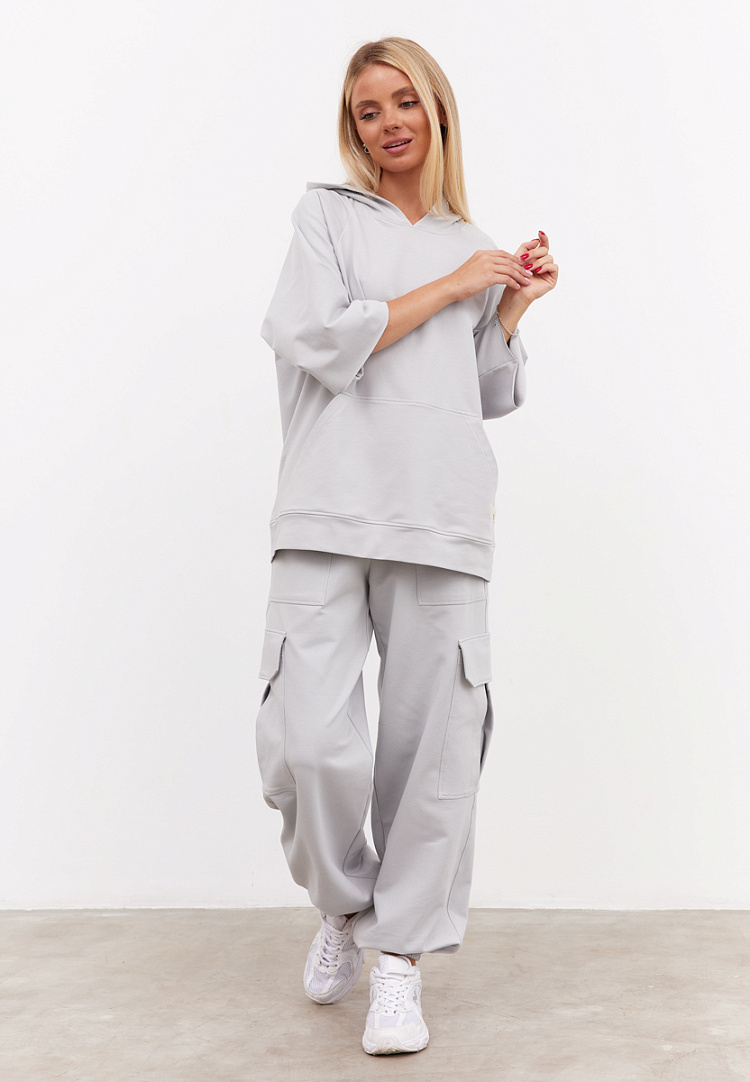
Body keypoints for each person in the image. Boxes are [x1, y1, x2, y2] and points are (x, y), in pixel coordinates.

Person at [255, 36, 558, 1056]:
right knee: (307, 740)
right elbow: (317, 337)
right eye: (367, 109)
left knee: (434, 753)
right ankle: (347, 907)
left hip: (441, 512)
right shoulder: (327, 217)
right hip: (327, 507)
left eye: (403, 101)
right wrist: (454, 282)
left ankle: (400, 963)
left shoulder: (477, 242)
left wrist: (507, 303)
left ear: (437, 109)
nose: (388, 122)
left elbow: (483, 391)